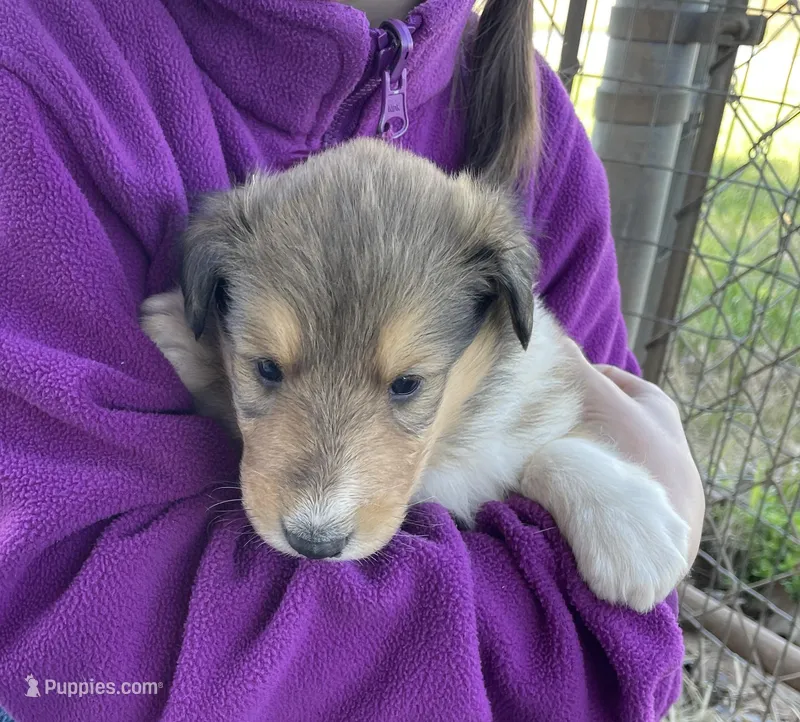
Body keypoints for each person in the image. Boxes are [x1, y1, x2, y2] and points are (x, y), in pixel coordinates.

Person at [0, 0, 704, 719]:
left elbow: (623, 596)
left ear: (505, 316)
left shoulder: (537, 132)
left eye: (406, 384)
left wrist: (580, 473)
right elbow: (81, 643)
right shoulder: (36, 79)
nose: (319, 509)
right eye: (269, 368)